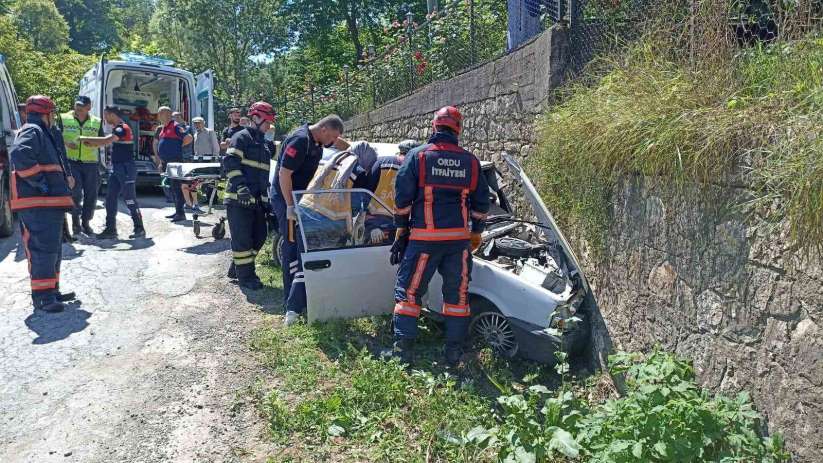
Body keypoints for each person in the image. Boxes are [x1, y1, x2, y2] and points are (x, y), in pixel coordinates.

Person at [383, 106, 490, 366]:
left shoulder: (418, 157)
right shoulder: (471, 161)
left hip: (424, 240)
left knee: (409, 293)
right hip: (458, 242)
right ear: (458, 130)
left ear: (434, 126)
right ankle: (454, 351)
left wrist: (401, 229)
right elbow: (481, 203)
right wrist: (475, 233)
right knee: (457, 295)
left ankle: (403, 352)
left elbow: (402, 199)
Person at [271, 114, 345, 326]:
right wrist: (290, 206)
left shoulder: (318, 137)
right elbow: (284, 175)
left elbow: (342, 143)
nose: (332, 142)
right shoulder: (300, 140)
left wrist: (351, 147)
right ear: (324, 130)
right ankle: (290, 301)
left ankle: (299, 296)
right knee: (292, 246)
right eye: (332, 137)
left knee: (299, 245)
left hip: (299, 198)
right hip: (286, 198)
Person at [9, 96, 77, 313]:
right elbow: (20, 155)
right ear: (46, 114)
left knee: (53, 249)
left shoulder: (42, 132)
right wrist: (40, 182)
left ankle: (51, 290)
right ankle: (42, 296)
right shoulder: (33, 130)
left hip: (48, 203)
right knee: (42, 250)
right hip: (38, 202)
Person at [223, 102, 277, 290]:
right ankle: (246, 278)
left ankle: (237, 268)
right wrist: (241, 187)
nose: (269, 127)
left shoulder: (264, 144)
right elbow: (230, 162)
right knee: (243, 240)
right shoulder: (241, 137)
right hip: (239, 199)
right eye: (267, 122)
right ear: (255, 118)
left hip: (257, 201)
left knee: (260, 236)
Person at [80, 106, 145, 240]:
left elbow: (105, 141)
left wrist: (83, 138)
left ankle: (139, 228)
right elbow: (106, 143)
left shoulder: (122, 128)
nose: (104, 119)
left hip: (126, 168)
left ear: (111, 114)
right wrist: (92, 144)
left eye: (105, 115)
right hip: (117, 169)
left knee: (129, 199)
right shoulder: (119, 128)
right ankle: (111, 229)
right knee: (110, 198)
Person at [298, 141, 377, 249]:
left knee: (307, 260)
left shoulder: (331, 159)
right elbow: (355, 204)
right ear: (367, 158)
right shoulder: (359, 171)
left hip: (306, 214)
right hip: (329, 223)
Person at [61, 95, 103, 236]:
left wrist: (94, 143)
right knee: (76, 194)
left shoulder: (97, 122)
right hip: (72, 162)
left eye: (81, 108)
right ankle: (75, 224)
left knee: (91, 195)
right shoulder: (64, 118)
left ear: (89, 108)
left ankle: (86, 222)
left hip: (91, 163)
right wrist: (66, 143)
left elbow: (102, 141)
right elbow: (55, 136)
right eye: (76, 106)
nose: (78, 110)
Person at [365, 139, 421, 244]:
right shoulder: (416, 169)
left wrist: (371, 226)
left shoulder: (380, 162)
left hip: (377, 228)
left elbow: (364, 195)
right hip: (400, 229)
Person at [154, 106, 193, 222]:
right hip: (166, 162)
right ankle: (177, 211)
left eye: (162, 113)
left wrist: (177, 146)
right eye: (159, 113)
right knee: (171, 187)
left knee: (176, 187)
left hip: (175, 161)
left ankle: (180, 213)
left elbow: (189, 137)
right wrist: (161, 162)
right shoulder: (162, 128)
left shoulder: (176, 126)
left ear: (168, 114)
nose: (159, 115)